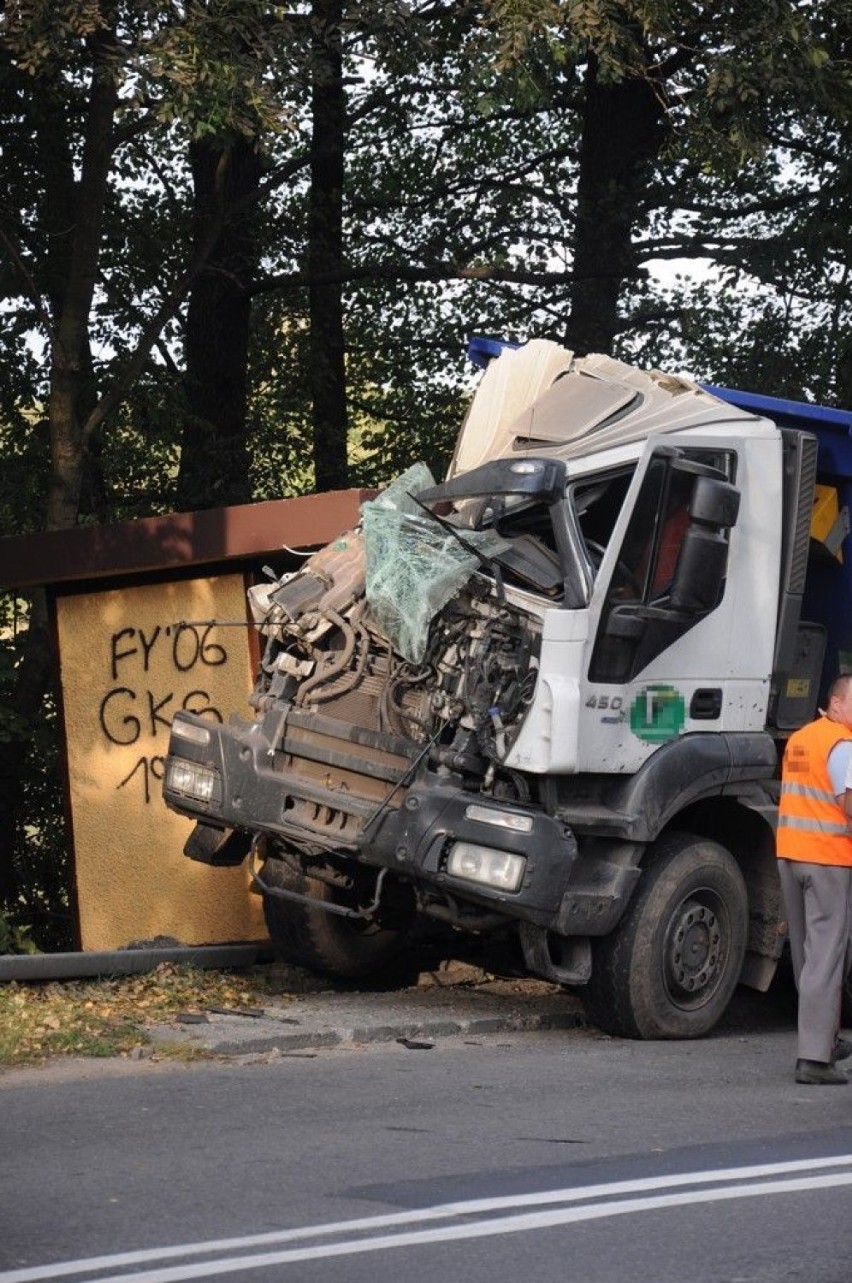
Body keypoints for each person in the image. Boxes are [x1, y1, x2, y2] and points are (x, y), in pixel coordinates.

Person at [777, 673, 852, 1085]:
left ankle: (824, 1038)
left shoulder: (800, 739)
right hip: (828, 859)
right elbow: (847, 802)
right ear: (837, 704)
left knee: (809, 958)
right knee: (826, 957)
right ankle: (814, 1059)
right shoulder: (843, 744)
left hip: (790, 854)